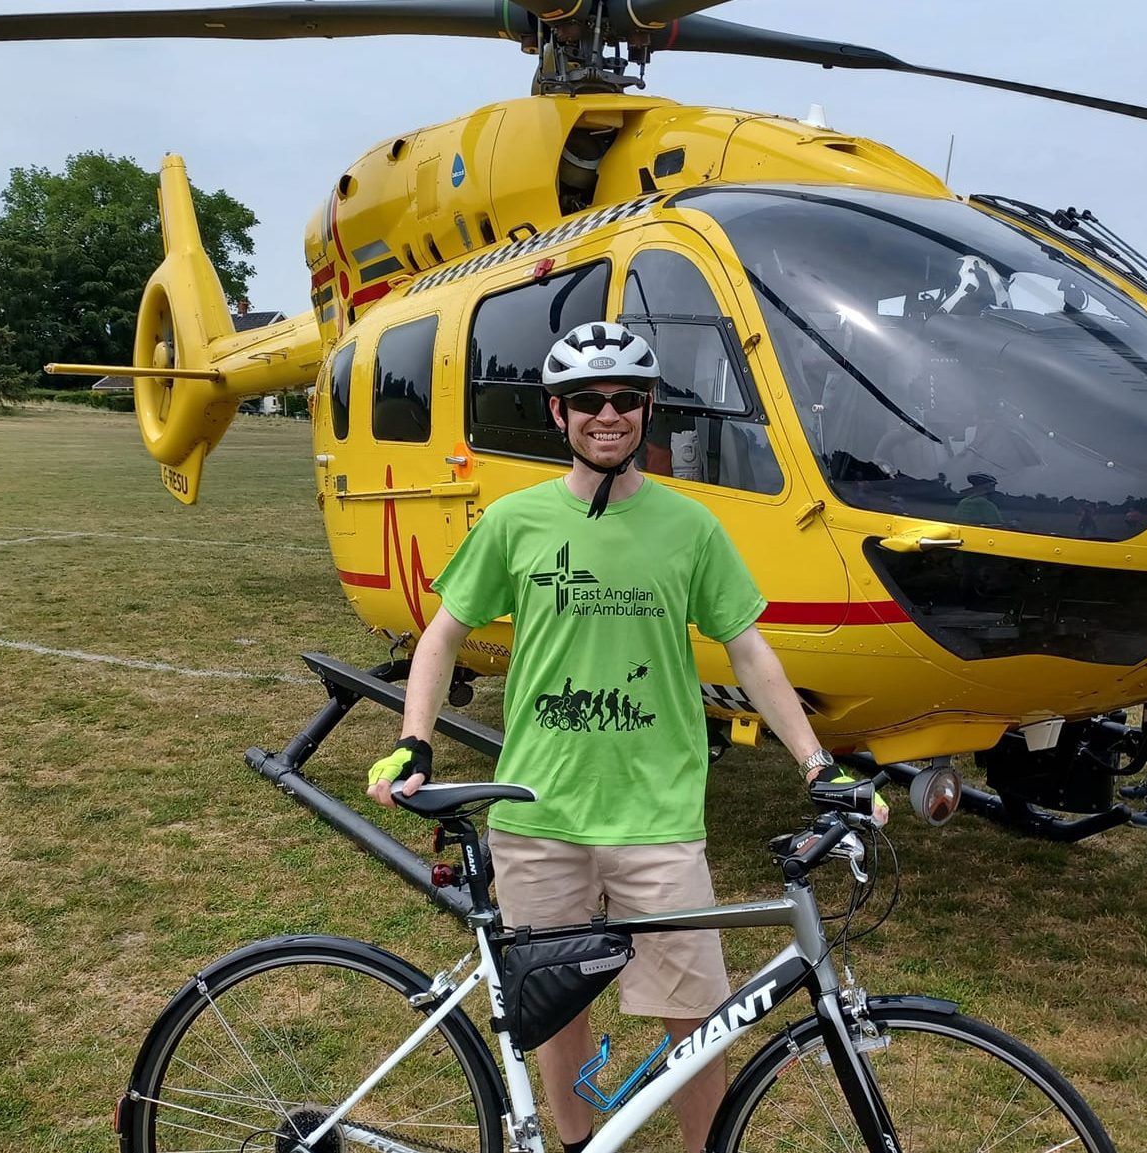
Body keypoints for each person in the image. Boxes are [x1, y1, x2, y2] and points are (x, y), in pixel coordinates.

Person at [366, 321, 883, 1153]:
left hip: (657, 815)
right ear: (558, 414)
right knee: (555, 1009)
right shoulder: (515, 520)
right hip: (539, 814)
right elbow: (441, 633)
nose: (606, 415)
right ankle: (573, 1144)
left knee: (699, 1017)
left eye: (624, 400)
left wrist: (817, 762)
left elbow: (749, 651)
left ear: (648, 409)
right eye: (586, 401)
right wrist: (415, 739)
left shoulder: (691, 526)